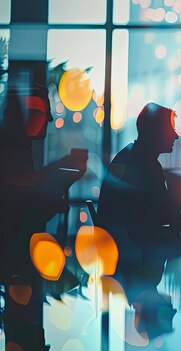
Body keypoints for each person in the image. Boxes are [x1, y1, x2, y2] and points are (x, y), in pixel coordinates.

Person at [0, 79, 87, 350]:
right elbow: (19, 197)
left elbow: (23, 194)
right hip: (15, 258)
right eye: (41, 112)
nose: (49, 119)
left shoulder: (19, 148)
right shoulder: (10, 150)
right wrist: (59, 171)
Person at [97, 102, 181, 339]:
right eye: (171, 129)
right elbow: (170, 217)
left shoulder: (133, 158)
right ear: (156, 132)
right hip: (136, 253)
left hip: (128, 255)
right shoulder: (144, 165)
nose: (176, 136)